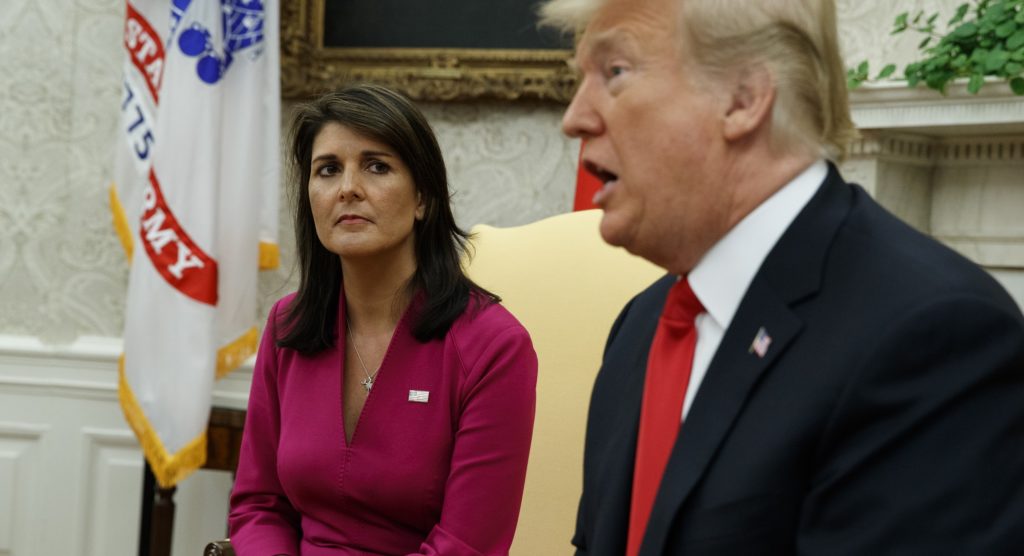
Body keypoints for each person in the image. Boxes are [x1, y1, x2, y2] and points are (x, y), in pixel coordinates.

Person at [540, 0, 1024, 554]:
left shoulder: (937, 337)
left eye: (615, 73)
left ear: (743, 98)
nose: (575, 117)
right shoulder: (642, 327)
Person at [228, 84, 538, 555]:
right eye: (328, 169)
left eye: (377, 166)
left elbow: (465, 546)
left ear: (423, 199)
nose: (348, 187)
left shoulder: (495, 346)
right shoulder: (287, 325)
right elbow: (259, 506)